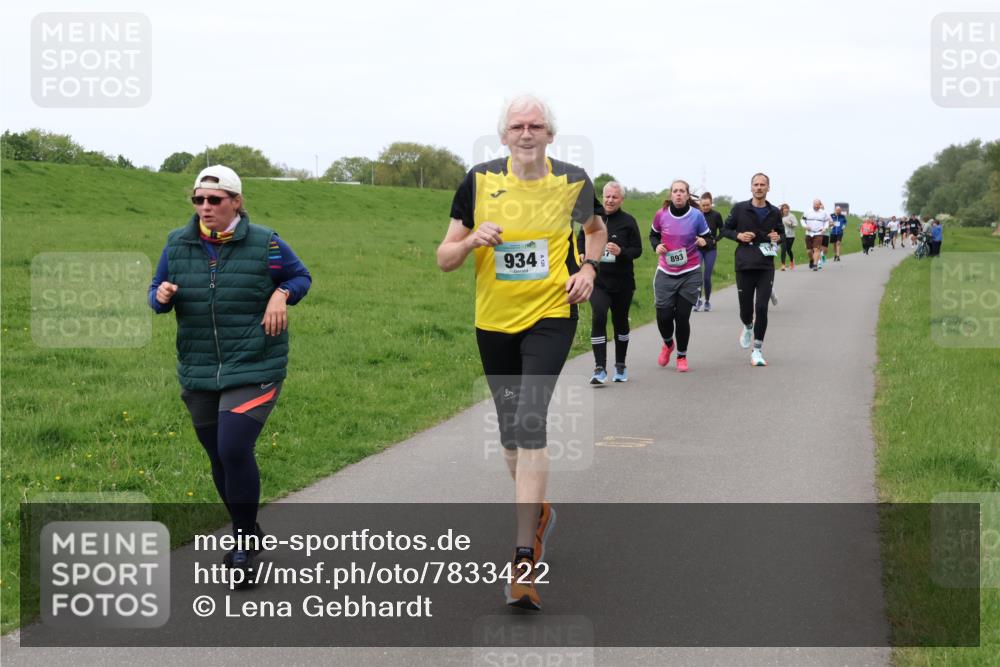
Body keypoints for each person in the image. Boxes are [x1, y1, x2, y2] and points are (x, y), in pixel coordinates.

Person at [437, 95, 606, 611]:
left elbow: (596, 231)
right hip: (494, 321)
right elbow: (444, 257)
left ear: (550, 134)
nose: (526, 133)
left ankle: (522, 557)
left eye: (536, 125)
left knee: (531, 421)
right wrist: (472, 242)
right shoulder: (478, 181)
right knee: (511, 435)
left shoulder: (574, 181)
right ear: (504, 135)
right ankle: (538, 512)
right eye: (517, 126)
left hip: (552, 313)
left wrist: (588, 269)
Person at [149, 165, 312, 585]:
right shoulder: (178, 243)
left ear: (236, 202)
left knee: (234, 447)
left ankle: (241, 544)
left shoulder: (266, 243)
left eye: (214, 199)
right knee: (218, 455)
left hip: (256, 364)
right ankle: (249, 527)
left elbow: (300, 276)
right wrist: (161, 295)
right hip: (200, 367)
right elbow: (156, 291)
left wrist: (281, 294)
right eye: (198, 199)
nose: (205, 207)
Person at [578, 181, 642, 384]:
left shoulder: (628, 221)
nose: (610, 200)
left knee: (620, 322)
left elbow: (637, 250)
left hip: (622, 282)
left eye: (614, 197)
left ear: (621, 199)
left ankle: (620, 365)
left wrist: (621, 251)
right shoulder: (593, 219)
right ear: (602, 197)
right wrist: (581, 253)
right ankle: (599, 368)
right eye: (607, 196)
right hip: (598, 281)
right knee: (598, 317)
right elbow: (581, 239)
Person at [721, 173, 785, 366]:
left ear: (768, 188)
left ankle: (757, 350)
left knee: (762, 307)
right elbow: (724, 230)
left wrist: (777, 238)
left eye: (762, 185)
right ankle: (748, 326)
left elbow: (781, 234)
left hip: (765, 265)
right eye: (756, 184)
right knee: (746, 310)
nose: (759, 187)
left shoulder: (774, 212)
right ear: (751, 187)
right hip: (744, 264)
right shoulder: (740, 208)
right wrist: (738, 236)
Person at [650, 180, 712, 373]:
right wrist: (656, 246)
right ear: (671, 194)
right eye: (675, 191)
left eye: (682, 191)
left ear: (687, 194)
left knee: (682, 316)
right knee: (664, 316)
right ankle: (668, 344)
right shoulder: (661, 214)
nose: (678, 194)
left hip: (690, 272)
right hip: (666, 271)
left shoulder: (697, 216)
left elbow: (709, 238)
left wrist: (704, 241)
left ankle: (682, 356)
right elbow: (653, 235)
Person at [694, 191, 723, 311]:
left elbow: (723, 231)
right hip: (698, 248)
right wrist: (695, 239)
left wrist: (716, 240)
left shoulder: (716, 215)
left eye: (707, 205)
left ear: (711, 203)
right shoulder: (696, 215)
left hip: (711, 249)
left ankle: (707, 301)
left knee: (707, 277)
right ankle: (697, 300)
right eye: (703, 205)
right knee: (697, 275)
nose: (705, 207)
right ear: (700, 204)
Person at [800, 199, 831, 271]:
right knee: (809, 251)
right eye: (815, 205)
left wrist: (825, 228)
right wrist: (805, 226)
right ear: (813, 204)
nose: (816, 206)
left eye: (818, 205)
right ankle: (811, 259)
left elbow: (827, 221)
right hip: (809, 233)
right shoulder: (807, 212)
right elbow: (802, 220)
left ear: (820, 205)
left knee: (816, 249)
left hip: (818, 233)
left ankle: (815, 265)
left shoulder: (823, 213)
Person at [780, 203, 797, 270]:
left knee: (788, 249)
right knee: (783, 250)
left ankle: (792, 261)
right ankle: (783, 265)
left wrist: (790, 223)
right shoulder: (780, 216)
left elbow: (795, 224)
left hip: (791, 235)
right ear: (782, 210)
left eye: (787, 208)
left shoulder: (792, 216)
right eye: (784, 208)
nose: (786, 210)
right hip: (783, 235)